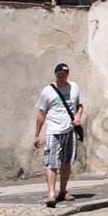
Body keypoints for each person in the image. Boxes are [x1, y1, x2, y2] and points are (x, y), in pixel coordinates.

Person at [34, 63, 82, 208]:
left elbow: (79, 105)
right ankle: (51, 194)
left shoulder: (74, 87)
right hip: (54, 131)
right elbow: (42, 113)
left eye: (64, 75)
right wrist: (36, 135)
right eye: (59, 75)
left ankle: (63, 191)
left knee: (67, 162)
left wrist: (78, 117)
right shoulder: (47, 91)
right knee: (51, 162)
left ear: (68, 75)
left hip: (70, 131)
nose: (62, 77)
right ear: (55, 74)